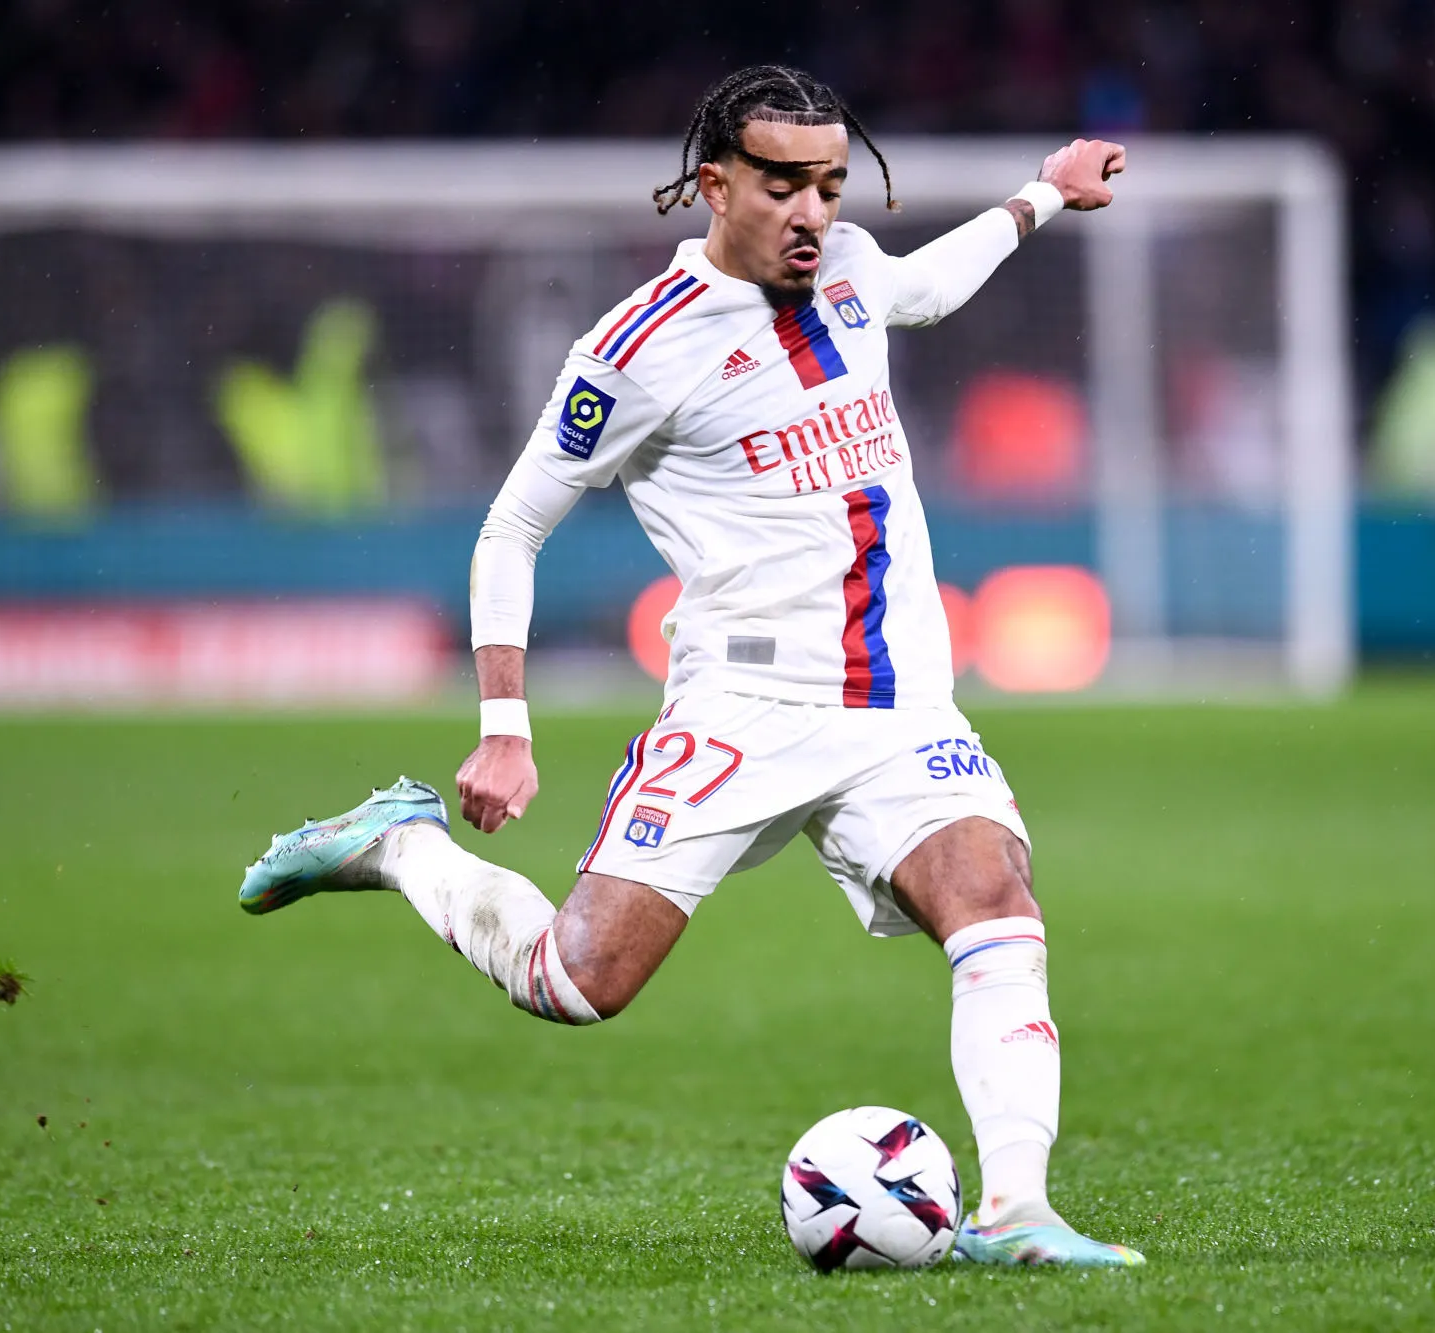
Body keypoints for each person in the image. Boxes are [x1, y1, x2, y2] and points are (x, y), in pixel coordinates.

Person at [237, 65, 1139, 1268]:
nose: (813, 211)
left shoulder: (855, 274)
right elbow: (511, 528)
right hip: (744, 705)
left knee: (996, 907)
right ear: (714, 184)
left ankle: (1016, 1212)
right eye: (782, 186)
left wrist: (1041, 195)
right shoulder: (634, 350)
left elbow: (926, 282)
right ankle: (398, 843)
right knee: (577, 981)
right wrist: (504, 720)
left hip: (898, 701)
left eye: (827, 184)